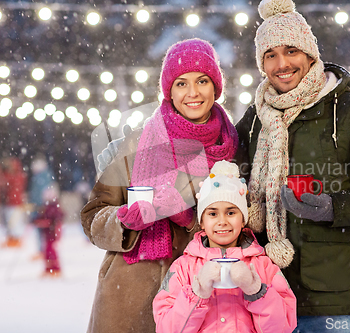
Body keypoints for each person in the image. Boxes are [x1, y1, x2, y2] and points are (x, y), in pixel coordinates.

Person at [234, 0, 350, 332]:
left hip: (329, 300)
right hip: (264, 295)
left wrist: (333, 208)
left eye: (291, 50)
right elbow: (226, 174)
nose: (282, 63)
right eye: (270, 55)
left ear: (310, 54)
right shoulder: (255, 118)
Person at [81, 38, 244, 333]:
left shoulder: (234, 147)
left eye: (202, 81)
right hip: (128, 298)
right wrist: (124, 221)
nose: (192, 93)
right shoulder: (134, 145)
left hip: (202, 298)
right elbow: (93, 214)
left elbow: (247, 220)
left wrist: (196, 221)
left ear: (216, 87)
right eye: (181, 83)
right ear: (168, 90)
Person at [153, 160, 297, 333]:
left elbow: (283, 327)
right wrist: (196, 295)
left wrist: (257, 291)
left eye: (231, 212)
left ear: (243, 219)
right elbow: (166, 329)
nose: (222, 221)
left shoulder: (263, 265)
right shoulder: (183, 268)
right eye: (213, 213)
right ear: (202, 222)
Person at [0, 156, 28, 248]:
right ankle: (11, 239)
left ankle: (16, 239)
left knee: (14, 222)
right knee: (8, 221)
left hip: (15, 202)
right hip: (8, 202)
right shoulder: (7, 176)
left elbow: (12, 187)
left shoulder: (17, 176)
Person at [33, 183, 64, 277]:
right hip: (47, 233)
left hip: (52, 233)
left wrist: (48, 222)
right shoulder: (45, 207)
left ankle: (55, 268)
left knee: (51, 251)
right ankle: (48, 268)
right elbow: (41, 217)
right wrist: (36, 220)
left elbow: (57, 218)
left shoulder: (54, 208)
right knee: (46, 251)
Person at [28, 155, 55, 259]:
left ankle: (43, 251)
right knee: (44, 230)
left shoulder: (40, 178)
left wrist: (39, 205)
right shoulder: (47, 176)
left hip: (41, 207)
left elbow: (39, 193)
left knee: (42, 229)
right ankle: (44, 250)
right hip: (43, 207)